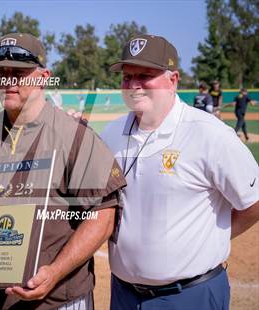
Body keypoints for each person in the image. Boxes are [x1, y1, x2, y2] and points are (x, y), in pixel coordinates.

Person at [0, 32, 127, 309]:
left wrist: (55, 272)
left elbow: (103, 216)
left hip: (55, 299)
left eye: (19, 72)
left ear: (43, 76)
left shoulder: (73, 135)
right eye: (1, 72)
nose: (8, 81)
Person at [102, 34, 259, 310]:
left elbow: (253, 203)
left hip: (189, 296)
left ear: (172, 80)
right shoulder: (111, 133)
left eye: (145, 75)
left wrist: (213, 236)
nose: (134, 85)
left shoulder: (210, 134)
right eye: (127, 77)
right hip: (123, 294)